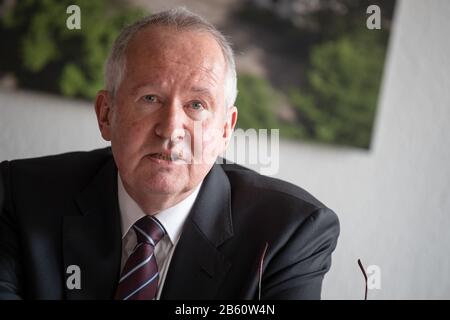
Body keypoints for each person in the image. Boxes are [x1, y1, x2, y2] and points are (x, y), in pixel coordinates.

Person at [0, 7, 339, 300]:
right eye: (150, 98)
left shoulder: (289, 233)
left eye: (196, 105)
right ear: (106, 114)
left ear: (225, 130)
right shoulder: (20, 195)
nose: (171, 128)